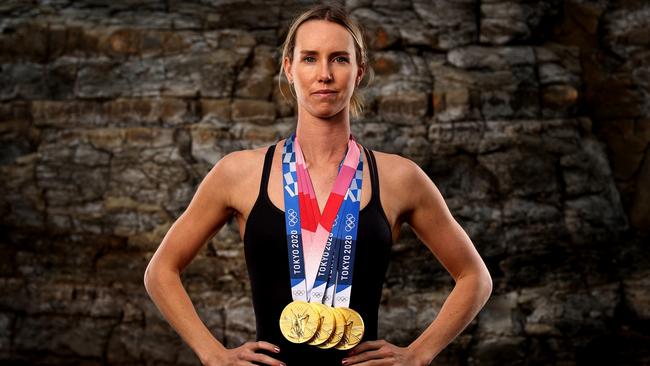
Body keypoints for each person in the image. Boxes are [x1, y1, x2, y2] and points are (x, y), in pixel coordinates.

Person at [144, 4, 492, 366]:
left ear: (359, 71)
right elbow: (160, 271)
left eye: (339, 59)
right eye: (309, 58)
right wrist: (213, 354)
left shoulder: (399, 178)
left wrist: (419, 354)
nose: (324, 74)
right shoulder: (239, 173)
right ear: (288, 69)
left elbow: (475, 278)